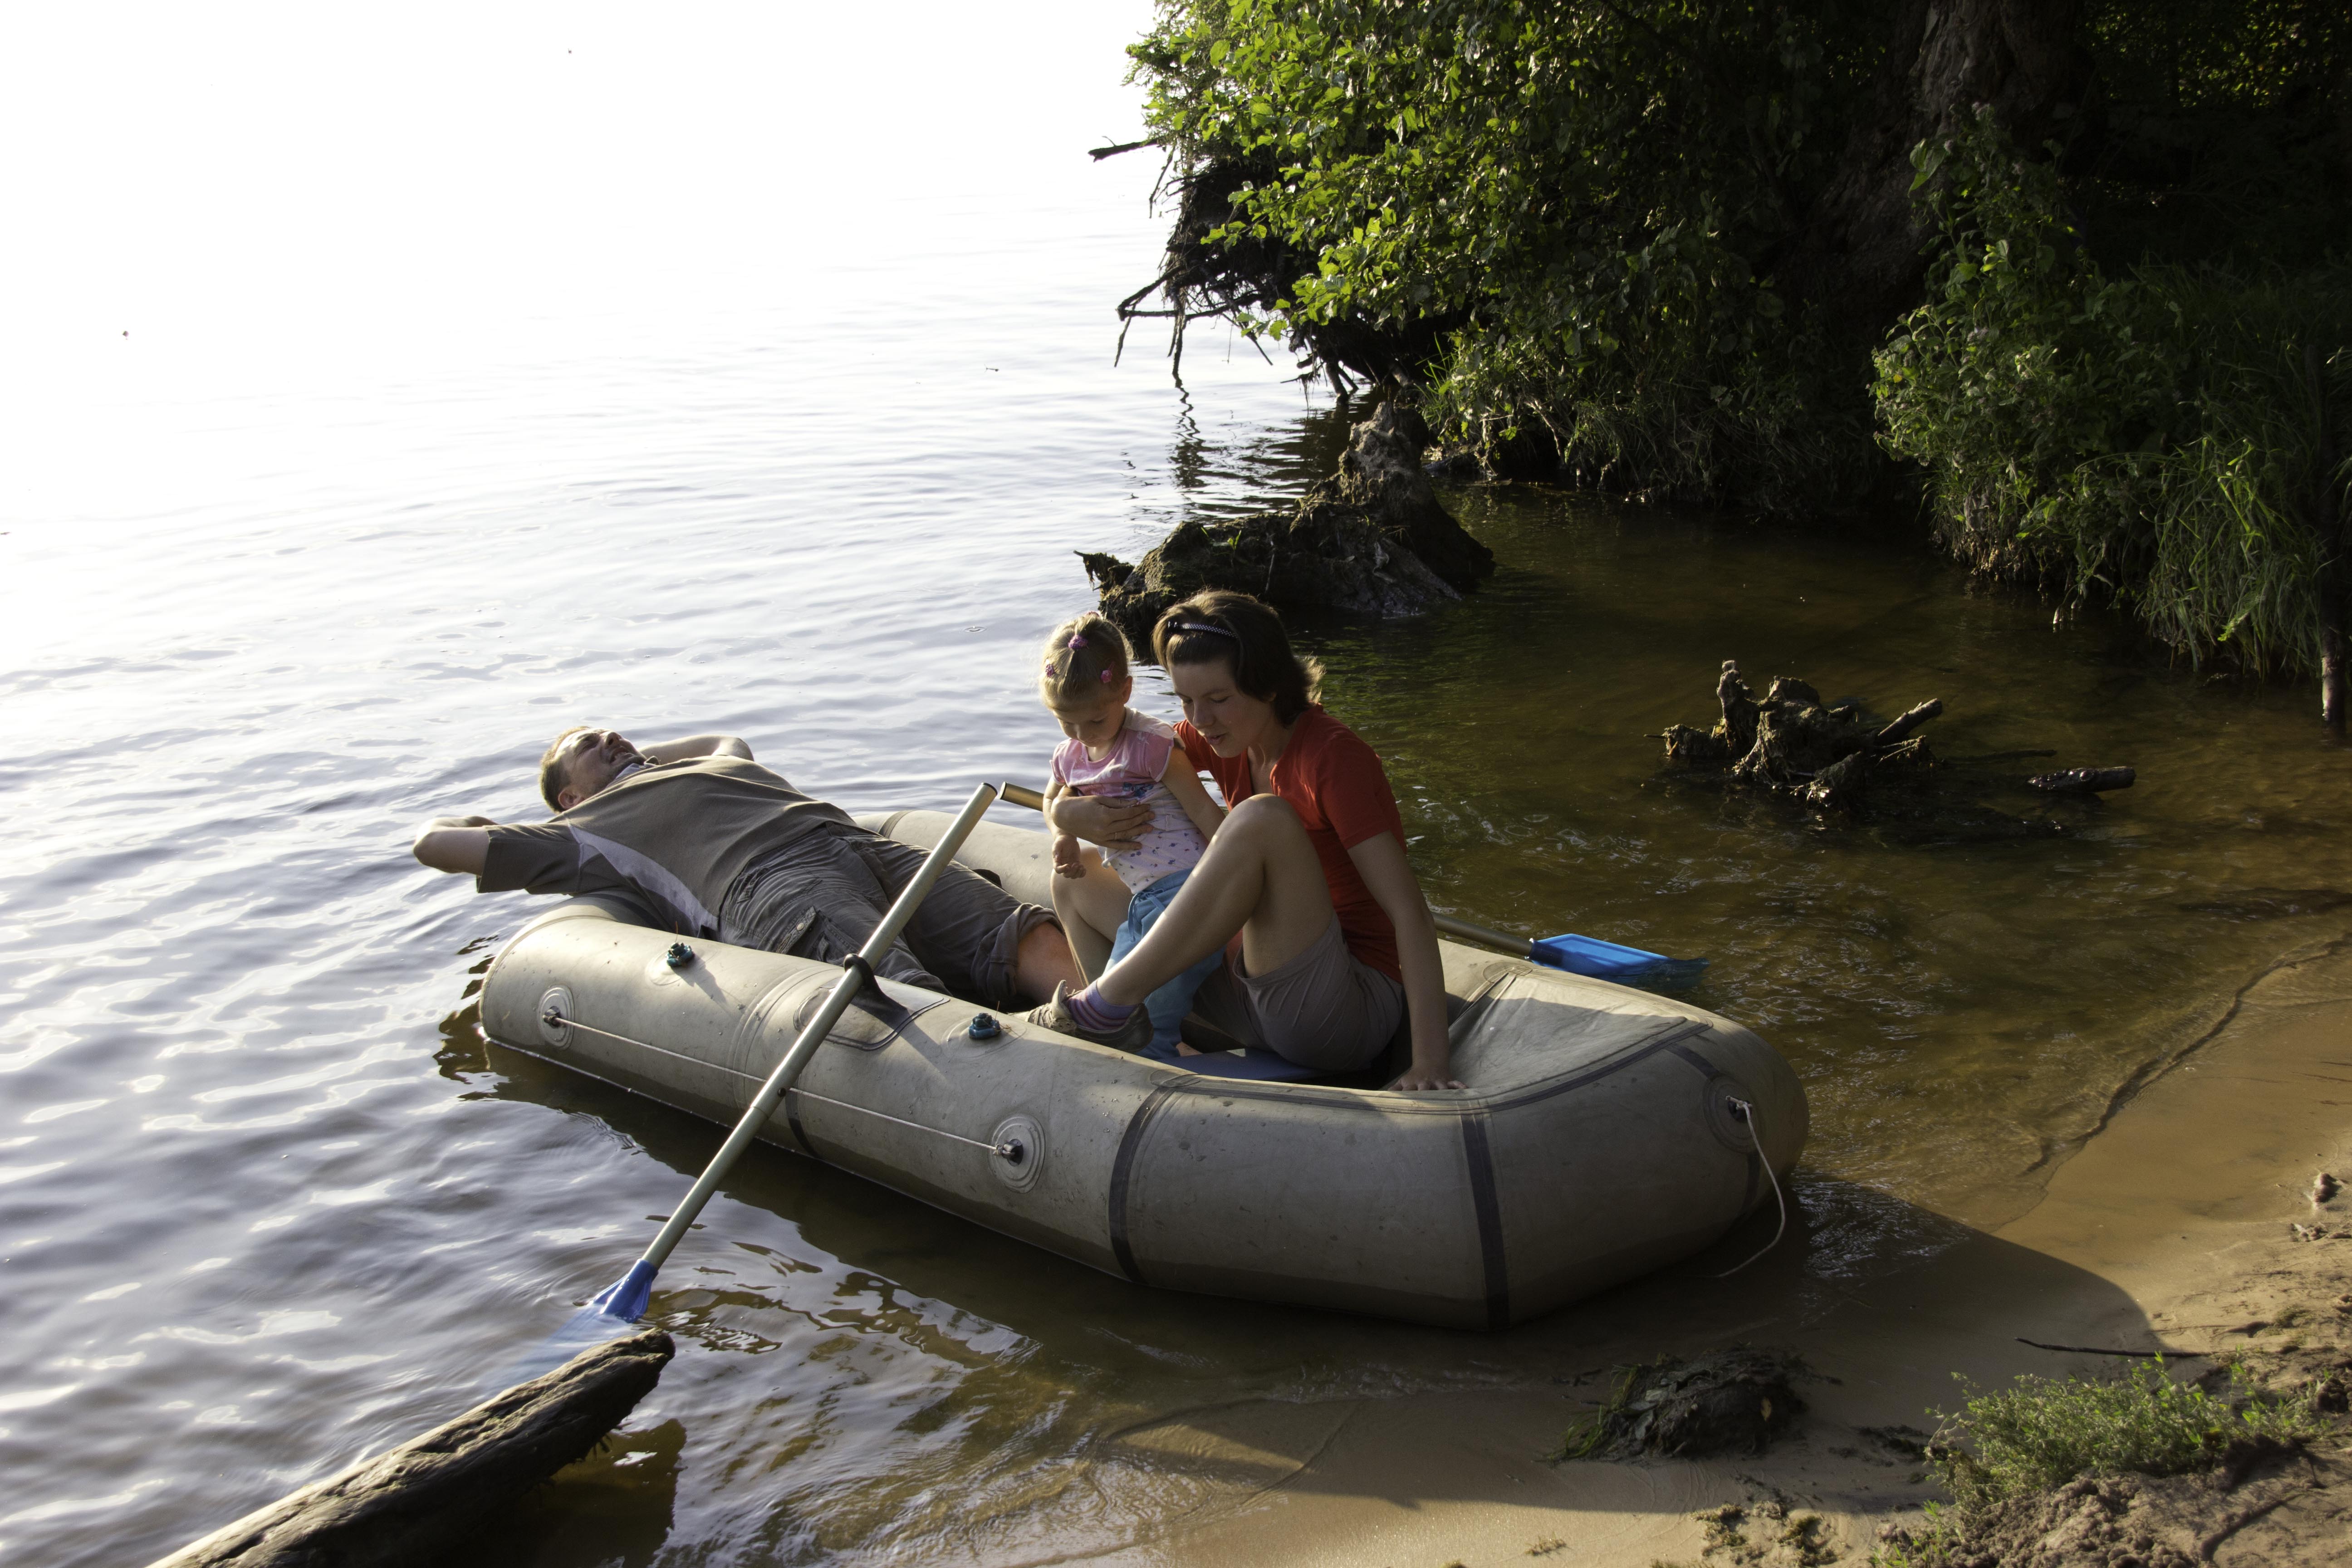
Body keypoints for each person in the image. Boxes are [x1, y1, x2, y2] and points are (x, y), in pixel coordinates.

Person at [1031, 591, 1464, 1091]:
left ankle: (1105, 1004)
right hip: (1254, 993)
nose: (1200, 720)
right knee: (1076, 881)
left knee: (1260, 818)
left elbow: (1409, 912)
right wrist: (1061, 812)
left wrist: (1430, 1062)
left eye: (1218, 700)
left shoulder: (1333, 759)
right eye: (1186, 700)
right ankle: (1124, 1039)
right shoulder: (1222, 737)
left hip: (1341, 1006)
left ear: (1271, 685)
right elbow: (1114, 757)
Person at [410, 728, 1078, 1011]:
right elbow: (434, 845)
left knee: (1020, 931)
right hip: (770, 883)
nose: (611, 737)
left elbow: (724, 738)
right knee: (894, 990)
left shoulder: (714, 763)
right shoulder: (583, 832)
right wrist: (529, 820)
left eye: (613, 731)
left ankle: (1114, 1024)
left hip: (852, 840)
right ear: (567, 797)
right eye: (590, 743)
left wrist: (640, 760)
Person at [1034, 613, 1228, 1058]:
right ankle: (1133, 1050)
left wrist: (1236, 878)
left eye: (1095, 721)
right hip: (1143, 900)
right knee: (1118, 995)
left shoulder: (1151, 745)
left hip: (1187, 892)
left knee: (1150, 1013)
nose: (1082, 734)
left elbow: (1203, 809)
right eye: (1066, 722)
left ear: (1124, 691)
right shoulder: (1070, 756)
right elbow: (1052, 802)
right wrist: (1062, 835)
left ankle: (1155, 1063)